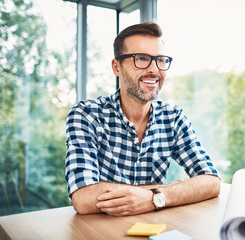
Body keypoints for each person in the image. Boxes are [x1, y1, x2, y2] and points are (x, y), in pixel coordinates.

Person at [65, 22, 220, 216]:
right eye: (141, 59)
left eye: (160, 60)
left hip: (154, 229)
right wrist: (169, 190)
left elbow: (211, 182)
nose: (154, 69)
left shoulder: (173, 117)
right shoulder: (87, 115)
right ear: (116, 67)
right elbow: (83, 198)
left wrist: (155, 198)